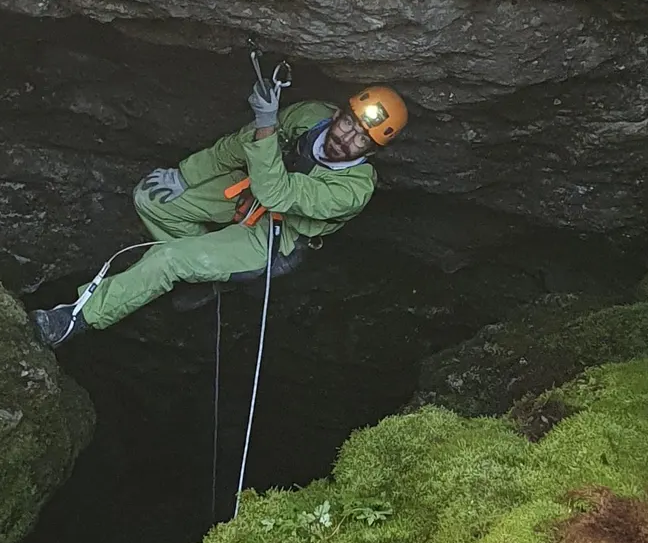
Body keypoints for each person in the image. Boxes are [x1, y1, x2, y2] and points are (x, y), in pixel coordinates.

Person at [31, 78, 408, 346]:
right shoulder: (311, 116)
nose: (345, 137)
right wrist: (184, 174)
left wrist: (267, 124)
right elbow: (239, 146)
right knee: (151, 198)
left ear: (371, 151)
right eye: (347, 123)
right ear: (339, 112)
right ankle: (206, 276)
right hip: (245, 194)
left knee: (167, 260)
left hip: (272, 237)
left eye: (361, 138)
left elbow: (277, 193)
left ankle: (76, 319)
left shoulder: (355, 189)